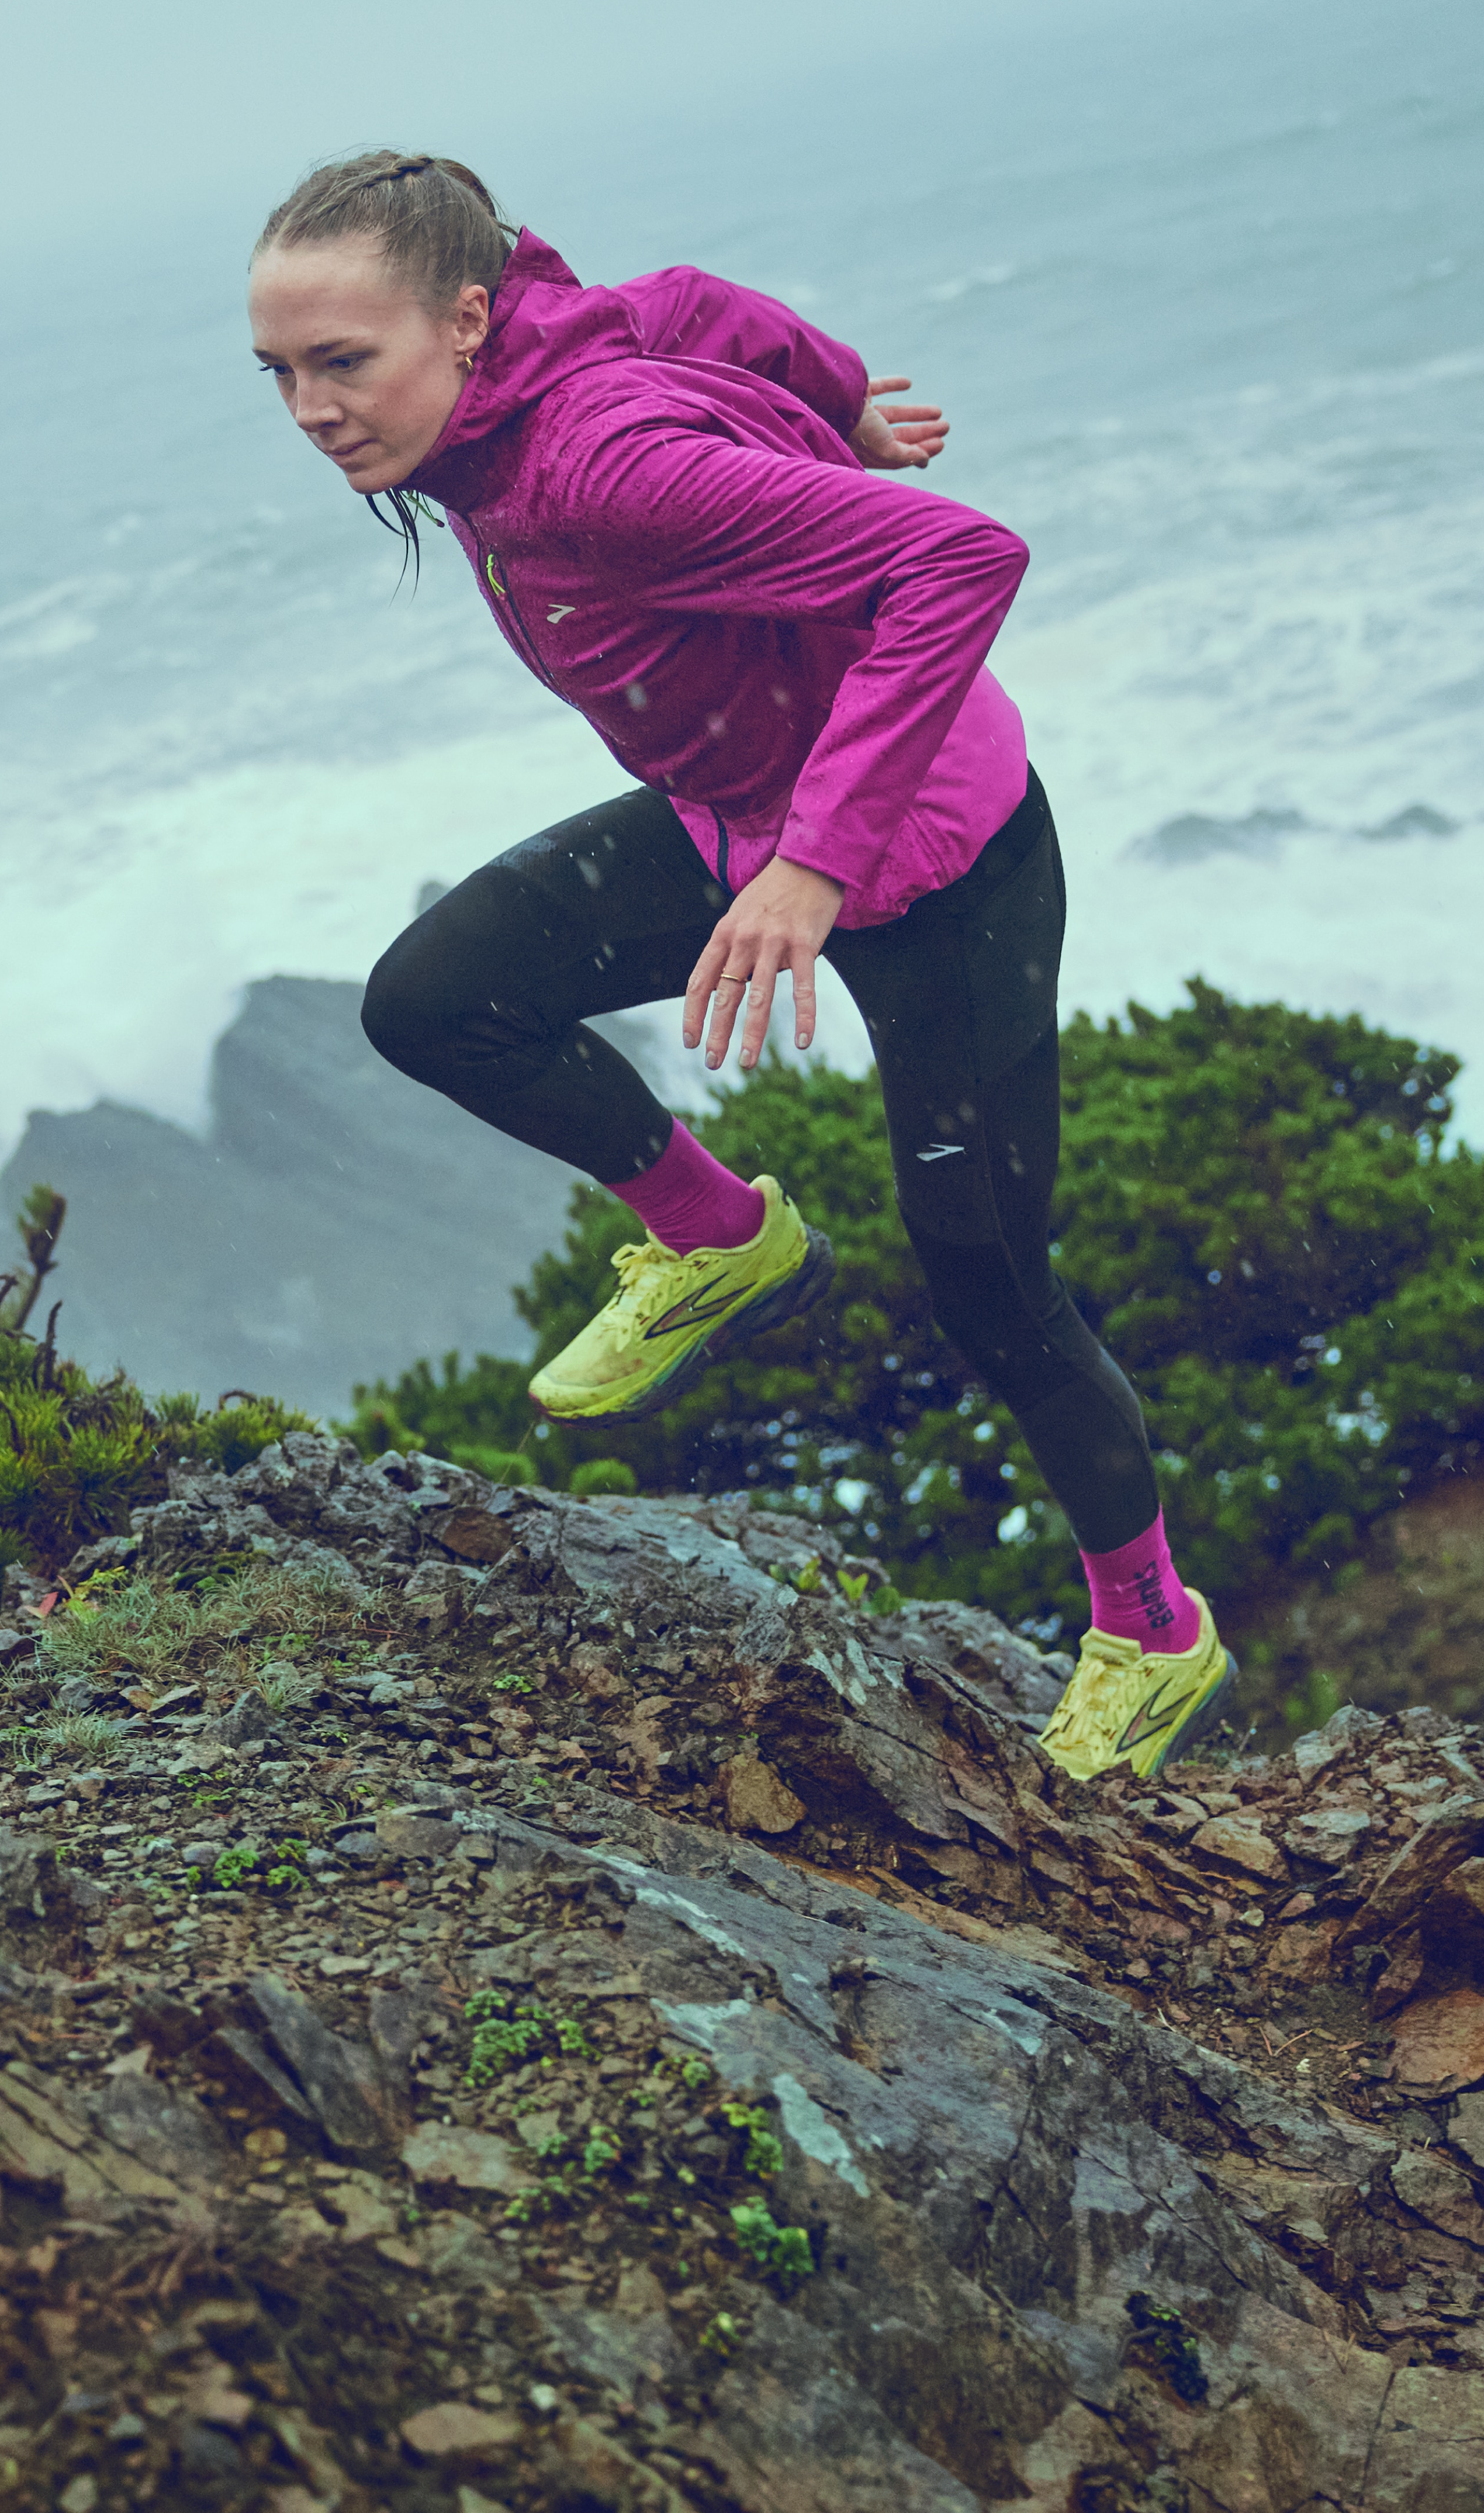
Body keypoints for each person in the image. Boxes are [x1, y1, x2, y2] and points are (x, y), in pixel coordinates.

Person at [247, 149, 1237, 1783]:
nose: (309, 410)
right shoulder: (544, 346)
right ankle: (716, 1234)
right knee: (435, 999)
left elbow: (962, 559)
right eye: (280, 371)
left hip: (931, 859)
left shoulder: (599, 470)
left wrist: (814, 865)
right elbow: (709, 306)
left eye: (342, 362)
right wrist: (841, 411)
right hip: (739, 819)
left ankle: (1151, 1623)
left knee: (986, 1272)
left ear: (468, 320)